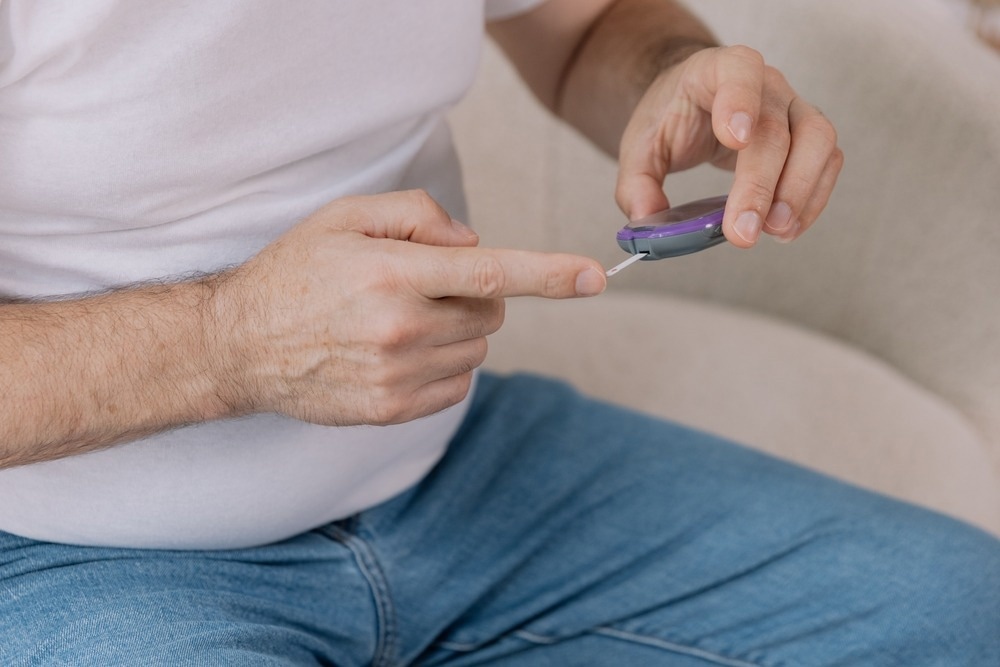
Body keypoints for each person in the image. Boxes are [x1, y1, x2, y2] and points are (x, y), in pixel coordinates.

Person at [0, 0, 996, 664]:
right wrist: (230, 342)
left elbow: (584, 25)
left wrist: (674, 74)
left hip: (462, 475)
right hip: (66, 547)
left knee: (961, 610)